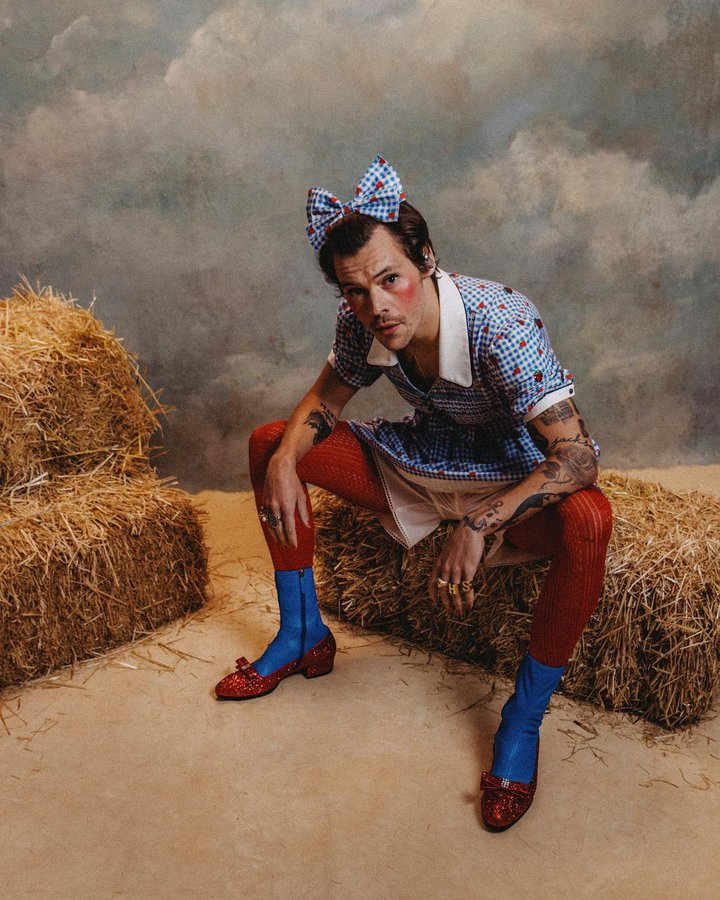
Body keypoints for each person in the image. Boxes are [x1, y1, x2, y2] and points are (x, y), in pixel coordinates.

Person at [215, 155, 613, 831]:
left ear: (426, 260)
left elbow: (577, 456)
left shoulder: (501, 321)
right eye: (354, 291)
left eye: (389, 280)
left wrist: (482, 523)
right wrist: (284, 459)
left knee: (590, 520)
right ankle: (303, 634)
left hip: (508, 478)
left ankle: (522, 721)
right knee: (268, 442)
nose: (376, 307)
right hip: (423, 462)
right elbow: (326, 400)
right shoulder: (362, 320)